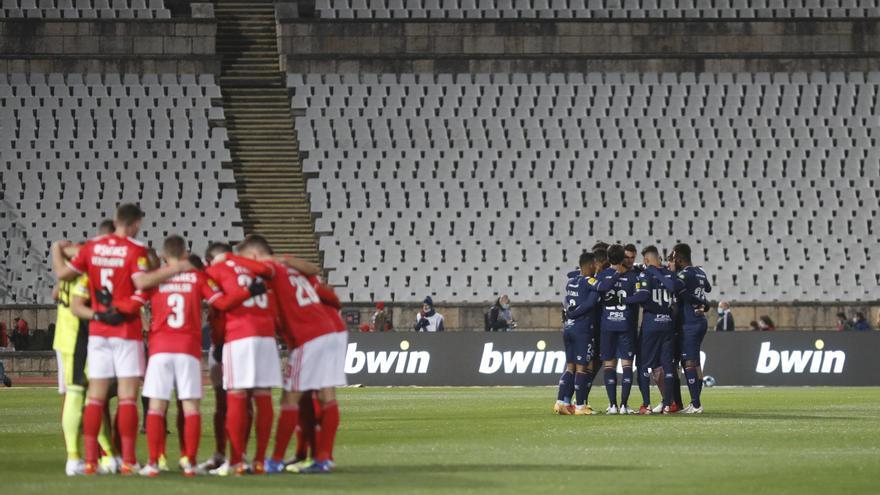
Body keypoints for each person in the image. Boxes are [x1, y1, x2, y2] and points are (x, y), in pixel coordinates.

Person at [52, 203, 191, 475]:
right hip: (126, 331)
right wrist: (175, 269)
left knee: (95, 398)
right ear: (136, 223)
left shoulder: (91, 249)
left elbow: (63, 277)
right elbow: (141, 284)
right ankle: (127, 460)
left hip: (98, 331)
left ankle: (91, 461)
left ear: (115, 220)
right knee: (127, 397)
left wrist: (56, 250)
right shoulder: (135, 250)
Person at [138, 235, 260, 477]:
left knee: (156, 406)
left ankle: (153, 463)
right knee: (191, 406)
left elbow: (136, 296)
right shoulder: (197, 277)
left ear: (164, 255)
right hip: (187, 349)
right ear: (185, 254)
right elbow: (223, 303)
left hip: (159, 349)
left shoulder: (154, 279)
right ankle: (190, 463)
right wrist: (249, 291)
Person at [260, 241, 345, 475]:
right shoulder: (297, 271)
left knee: (292, 397)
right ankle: (319, 456)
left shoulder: (273, 274)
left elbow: (330, 298)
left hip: (312, 333)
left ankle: (276, 460)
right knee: (320, 395)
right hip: (332, 330)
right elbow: (327, 292)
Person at [203, 235, 282, 476]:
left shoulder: (219, 267)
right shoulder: (260, 271)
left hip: (239, 335)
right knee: (262, 395)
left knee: (236, 394)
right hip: (266, 335)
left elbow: (219, 306)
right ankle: (259, 461)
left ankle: (236, 461)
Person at [626, 246, 677, 414]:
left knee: (643, 364)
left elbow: (643, 295)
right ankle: (668, 405)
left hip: (651, 323)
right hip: (668, 322)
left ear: (646, 260)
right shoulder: (670, 274)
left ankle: (646, 405)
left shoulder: (645, 274)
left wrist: (625, 299)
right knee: (667, 365)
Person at [593, 244, 639, 415]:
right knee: (627, 364)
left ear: (607, 258)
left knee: (609, 365)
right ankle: (624, 405)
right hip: (626, 325)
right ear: (623, 258)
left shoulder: (602, 276)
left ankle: (612, 405)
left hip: (607, 326)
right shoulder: (632, 277)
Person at [554, 252, 599, 416]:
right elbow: (589, 304)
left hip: (568, 328)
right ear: (588, 265)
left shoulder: (571, 282)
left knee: (570, 367)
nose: (596, 267)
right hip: (582, 329)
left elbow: (566, 299)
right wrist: (576, 312)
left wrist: (569, 311)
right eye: (594, 264)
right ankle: (580, 406)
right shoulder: (590, 282)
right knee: (582, 368)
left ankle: (560, 403)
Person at [670, 243, 711, 414]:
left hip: (690, 323)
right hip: (700, 320)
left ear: (678, 258)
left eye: (673, 259)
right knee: (696, 363)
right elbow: (707, 288)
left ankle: (696, 404)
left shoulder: (683, 274)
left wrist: (672, 272)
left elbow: (674, 286)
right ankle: (694, 403)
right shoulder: (700, 272)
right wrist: (703, 302)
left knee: (689, 362)